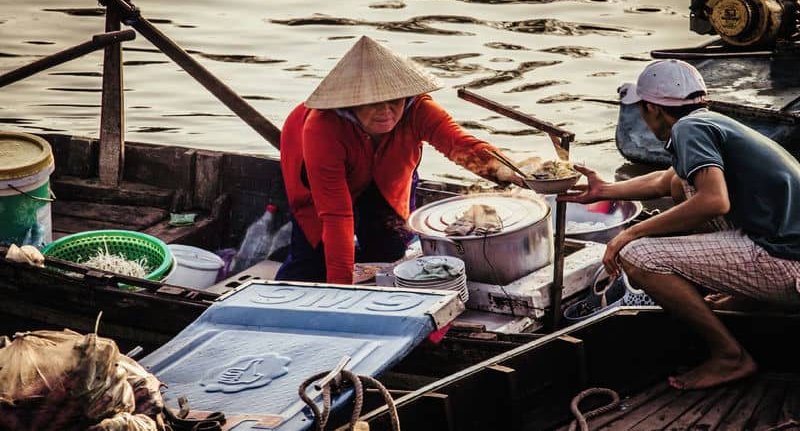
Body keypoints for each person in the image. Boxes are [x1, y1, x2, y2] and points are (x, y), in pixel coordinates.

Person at [560, 59, 800, 390]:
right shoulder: (710, 121)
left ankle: (730, 355)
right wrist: (605, 190)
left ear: (651, 109)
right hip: (786, 247)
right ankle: (747, 296)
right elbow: (666, 180)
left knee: (638, 255)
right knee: (680, 184)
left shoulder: (687, 130)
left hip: (789, 265)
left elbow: (715, 201)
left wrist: (630, 233)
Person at [276, 36, 522, 284]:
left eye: (394, 101)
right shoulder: (321, 127)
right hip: (322, 180)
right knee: (311, 259)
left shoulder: (419, 109)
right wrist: (341, 288)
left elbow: (460, 145)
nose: (385, 111)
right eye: (373, 103)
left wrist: (512, 172)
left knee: (389, 249)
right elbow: (336, 215)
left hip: (388, 174)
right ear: (352, 103)